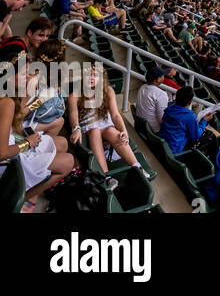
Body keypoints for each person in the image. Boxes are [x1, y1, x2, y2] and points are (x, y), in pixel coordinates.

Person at [1, 51, 74, 212]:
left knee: (62, 142)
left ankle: (31, 192)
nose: (29, 77)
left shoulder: (10, 96)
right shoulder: (6, 102)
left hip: (14, 141)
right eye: (24, 73)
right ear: (9, 77)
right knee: (68, 161)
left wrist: (30, 98)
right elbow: (2, 152)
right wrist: (27, 143)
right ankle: (23, 198)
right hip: (9, 163)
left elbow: (16, 122)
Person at [69, 61, 145, 189]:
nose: (92, 78)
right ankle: (106, 177)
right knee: (94, 131)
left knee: (111, 131)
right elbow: (73, 114)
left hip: (106, 125)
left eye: (95, 75)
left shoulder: (108, 90)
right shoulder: (75, 94)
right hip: (89, 129)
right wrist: (75, 128)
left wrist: (124, 130)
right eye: (89, 75)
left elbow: (115, 115)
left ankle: (137, 167)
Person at [158, 85, 211, 154]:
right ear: (190, 102)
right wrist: (204, 121)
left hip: (162, 143)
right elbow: (195, 136)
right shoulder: (189, 116)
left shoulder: (169, 108)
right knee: (210, 136)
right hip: (174, 151)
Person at [133, 65, 170, 134]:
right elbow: (162, 120)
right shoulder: (161, 94)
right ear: (158, 79)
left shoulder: (142, 87)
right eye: (162, 75)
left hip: (141, 126)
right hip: (154, 131)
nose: (164, 76)